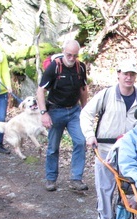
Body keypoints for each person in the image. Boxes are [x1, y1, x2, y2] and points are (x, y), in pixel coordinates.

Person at [80, 60, 137, 219]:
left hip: (131, 149)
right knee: (105, 187)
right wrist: (89, 135)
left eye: (132, 74)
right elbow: (86, 113)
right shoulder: (106, 95)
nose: (128, 78)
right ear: (118, 74)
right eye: (125, 74)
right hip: (105, 147)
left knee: (128, 186)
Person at [37, 39, 88, 192]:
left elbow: (83, 89)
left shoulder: (81, 68)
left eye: (74, 55)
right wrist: (43, 113)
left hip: (74, 111)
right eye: (68, 55)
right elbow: (41, 90)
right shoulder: (54, 67)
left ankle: (76, 179)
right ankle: (51, 179)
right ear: (63, 52)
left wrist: (85, 110)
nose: (71, 58)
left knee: (80, 141)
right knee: (53, 147)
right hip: (55, 110)